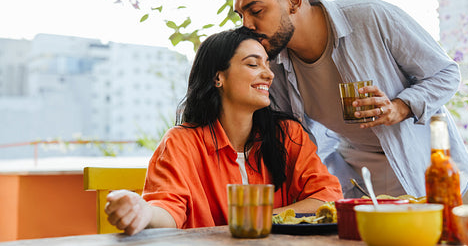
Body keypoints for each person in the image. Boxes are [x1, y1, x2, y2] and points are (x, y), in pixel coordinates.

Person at [223, 0, 468, 198]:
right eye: (241, 15)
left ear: (294, 1)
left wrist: (399, 107)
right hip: (354, 181)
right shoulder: (271, 61)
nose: (247, 25)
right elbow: (291, 135)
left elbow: (446, 74)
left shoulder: (369, 16)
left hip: (421, 169)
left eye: (256, 11)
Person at [104, 30, 343, 235]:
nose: (269, 74)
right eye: (253, 64)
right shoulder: (181, 142)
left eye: (267, 64)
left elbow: (328, 195)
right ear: (218, 77)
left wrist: (256, 219)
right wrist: (143, 211)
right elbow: (170, 211)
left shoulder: (287, 134)